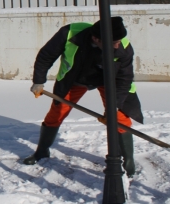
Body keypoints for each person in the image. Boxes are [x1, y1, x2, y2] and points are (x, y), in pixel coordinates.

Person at [24, 17, 142, 178]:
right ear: (96, 38)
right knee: (56, 114)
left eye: (118, 41)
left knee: (119, 118)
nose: (117, 45)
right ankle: (42, 151)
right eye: (113, 42)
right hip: (75, 79)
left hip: (109, 82)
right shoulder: (70, 33)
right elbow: (46, 55)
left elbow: (124, 79)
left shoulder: (123, 48)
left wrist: (113, 106)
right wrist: (38, 81)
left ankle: (128, 161)